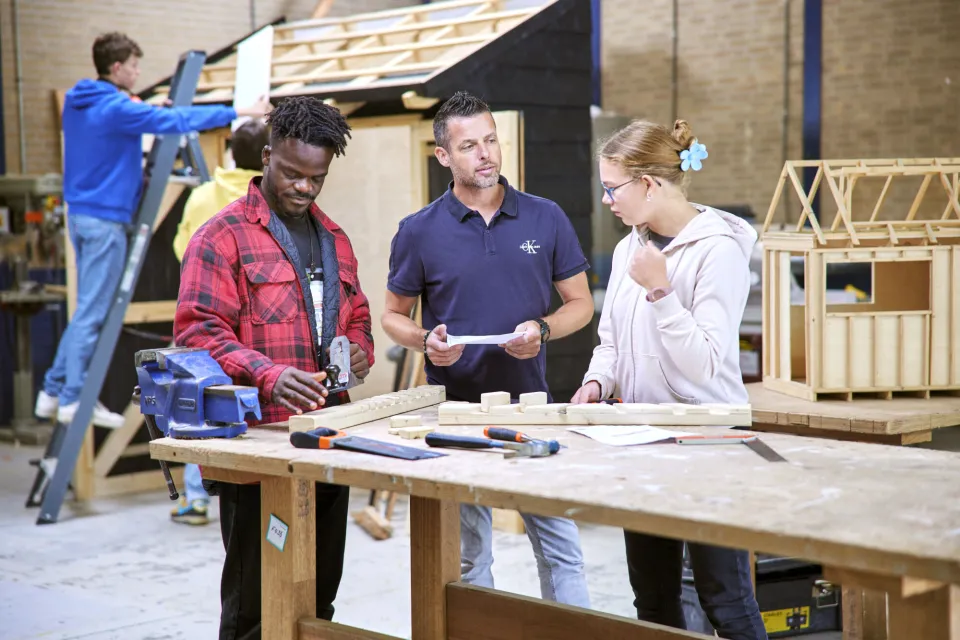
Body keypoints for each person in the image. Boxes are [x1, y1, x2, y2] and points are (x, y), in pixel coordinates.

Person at [381, 91, 595, 607]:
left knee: (562, 550)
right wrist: (425, 343)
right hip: (452, 417)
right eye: (470, 145)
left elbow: (581, 304)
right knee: (471, 557)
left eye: (491, 140)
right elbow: (391, 316)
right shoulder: (418, 231)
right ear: (444, 157)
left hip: (530, 409)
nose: (486, 155)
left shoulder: (545, 218)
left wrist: (542, 330)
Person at [174, 95, 374, 639]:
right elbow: (197, 332)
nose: (303, 188)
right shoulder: (221, 238)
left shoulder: (336, 240)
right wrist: (267, 374)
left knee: (318, 597)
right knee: (254, 609)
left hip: (330, 437)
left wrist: (359, 349)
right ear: (266, 157)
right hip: (256, 446)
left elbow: (358, 317)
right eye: (291, 173)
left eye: (317, 178)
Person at [571, 118, 767, 639]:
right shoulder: (628, 249)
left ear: (649, 184)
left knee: (724, 597)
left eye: (612, 188)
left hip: (709, 444)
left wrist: (661, 292)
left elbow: (703, 363)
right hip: (642, 439)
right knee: (653, 597)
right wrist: (597, 383)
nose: (608, 200)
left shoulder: (719, 249)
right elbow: (611, 340)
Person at [34, 31, 270, 428]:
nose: (138, 71)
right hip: (106, 220)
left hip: (82, 214)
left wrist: (138, 105)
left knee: (86, 310)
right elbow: (175, 120)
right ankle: (74, 397)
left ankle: (53, 390)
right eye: (134, 66)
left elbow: (120, 114)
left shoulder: (82, 101)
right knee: (93, 312)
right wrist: (239, 110)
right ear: (117, 68)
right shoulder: (117, 110)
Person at [168, 118, 271, 526]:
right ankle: (255, 486)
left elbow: (181, 249)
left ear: (230, 153)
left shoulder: (202, 197)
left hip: (212, 324)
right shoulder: (271, 199)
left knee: (200, 405)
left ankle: (197, 498)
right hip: (261, 329)